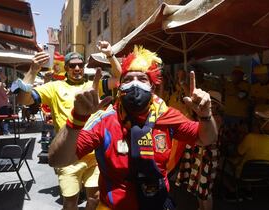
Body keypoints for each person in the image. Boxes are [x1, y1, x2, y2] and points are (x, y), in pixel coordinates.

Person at [48, 46, 218, 210]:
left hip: (157, 203)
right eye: (128, 79)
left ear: (152, 87)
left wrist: (205, 115)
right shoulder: (105, 120)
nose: (135, 84)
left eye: (142, 79)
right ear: (120, 87)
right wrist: (76, 119)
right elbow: (57, 160)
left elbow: (206, 138)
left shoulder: (166, 115)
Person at [16, 40, 121, 210]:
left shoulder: (91, 85)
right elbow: (23, 99)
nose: (77, 68)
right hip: (68, 155)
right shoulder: (54, 87)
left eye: (80, 65)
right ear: (66, 68)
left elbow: (118, 78)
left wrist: (110, 54)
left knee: (94, 198)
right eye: (72, 66)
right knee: (70, 203)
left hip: (93, 154)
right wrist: (33, 70)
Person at [223, 108, 269, 201]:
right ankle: (248, 191)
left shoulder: (251, 138)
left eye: (263, 120)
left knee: (219, 162)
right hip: (264, 177)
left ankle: (232, 190)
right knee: (252, 162)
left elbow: (236, 153)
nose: (260, 122)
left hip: (242, 173)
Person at [175, 90, 223, 210]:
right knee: (199, 188)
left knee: (205, 191)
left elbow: (206, 135)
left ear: (217, 106)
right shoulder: (201, 116)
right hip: (198, 154)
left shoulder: (216, 118)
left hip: (208, 156)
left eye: (212, 103)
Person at [0, 71, 12, 135]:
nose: (5, 77)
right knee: (5, 118)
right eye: (3, 76)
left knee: (1, 119)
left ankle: (1, 131)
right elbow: (4, 96)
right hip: (3, 105)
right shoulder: (0, 85)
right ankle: (5, 131)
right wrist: (9, 92)